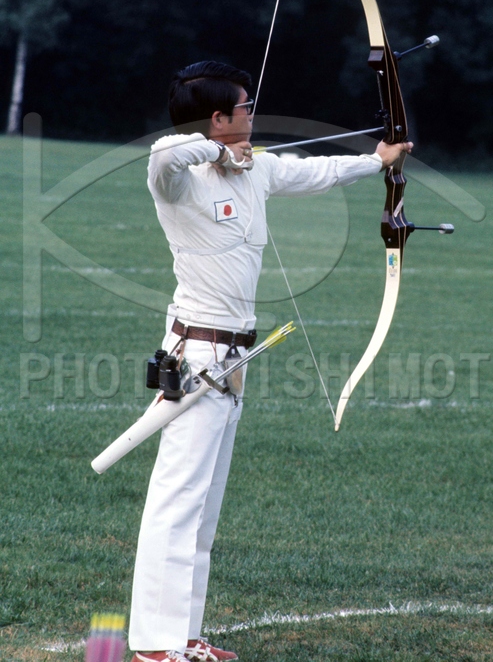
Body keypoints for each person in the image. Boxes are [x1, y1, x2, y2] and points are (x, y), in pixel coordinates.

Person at [129, 61, 412, 662]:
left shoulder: (256, 168)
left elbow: (315, 172)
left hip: (235, 356)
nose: (253, 114)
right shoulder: (178, 179)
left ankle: (184, 636)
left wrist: (378, 160)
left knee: (204, 507)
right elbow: (162, 153)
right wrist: (218, 153)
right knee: (178, 499)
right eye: (245, 107)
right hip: (197, 354)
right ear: (218, 119)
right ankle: (154, 645)